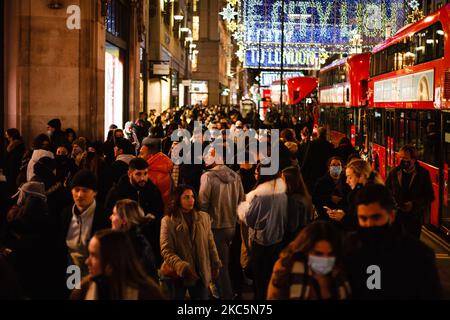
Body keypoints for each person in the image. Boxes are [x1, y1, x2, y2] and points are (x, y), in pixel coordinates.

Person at [343, 184, 442, 299]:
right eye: (363, 218)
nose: (369, 224)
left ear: (391, 215)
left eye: (376, 217)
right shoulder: (349, 246)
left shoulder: (418, 254)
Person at [198, 147, 245, 299]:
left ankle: (226, 295)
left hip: (214, 226)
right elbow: (242, 201)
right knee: (226, 262)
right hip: (231, 225)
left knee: (219, 264)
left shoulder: (208, 177)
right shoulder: (235, 176)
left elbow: (203, 203)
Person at [160, 185, 222, 300]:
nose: (191, 200)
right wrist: (182, 267)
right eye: (186, 197)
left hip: (200, 272)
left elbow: (210, 243)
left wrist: (215, 263)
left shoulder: (203, 217)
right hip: (177, 274)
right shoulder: (168, 221)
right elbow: (166, 250)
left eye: (192, 196)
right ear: (178, 199)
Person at [237, 163, 288, 300]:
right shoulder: (282, 194)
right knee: (272, 278)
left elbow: (250, 219)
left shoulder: (260, 196)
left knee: (260, 281)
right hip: (278, 240)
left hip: (261, 242)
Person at [70, 229, 164, 300]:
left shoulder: (147, 293)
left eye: (94, 256)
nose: (87, 261)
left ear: (112, 260)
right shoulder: (83, 290)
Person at [267, 221, 351, 300]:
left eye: (330, 254)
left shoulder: (338, 272)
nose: (325, 259)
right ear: (305, 250)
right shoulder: (286, 268)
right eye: (318, 254)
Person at [105, 158, 164, 266]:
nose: (143, 178)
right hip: (122, 246)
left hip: (146, 245)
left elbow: (158, 220)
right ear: (129, 173)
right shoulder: (117, 192)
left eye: (145, 173)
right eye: (138, 174)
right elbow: (108, 218)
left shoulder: (154, 192)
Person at [61, 170, 110, 277]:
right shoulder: (66, 213)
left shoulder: (103, 216)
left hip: (94, 266)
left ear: (95, 193)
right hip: (72, 266)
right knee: (74, 291)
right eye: (76, 190)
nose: (79, 195)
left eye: (85, 190)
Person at [385, 145, 434, 238]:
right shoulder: (395, 172)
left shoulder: (423, 174)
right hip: (397, 217)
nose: (402, 161)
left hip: (414, 219)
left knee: (412, 248)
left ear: (413, 159)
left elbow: (430, 196)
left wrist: (413, 204)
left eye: (405, 158)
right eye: (401, 157)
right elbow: (386, 191)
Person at [325, 159, 383, 232]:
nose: (347, 181)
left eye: (350, 177)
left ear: (361, 176)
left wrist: (343, 218)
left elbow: (365, 227)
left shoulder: (369, 197)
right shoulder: (359, 193)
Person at [110, 199, 158, 281]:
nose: (110, 217)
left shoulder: (134, 245)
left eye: (114, 214)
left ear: (124, 220)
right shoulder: (131, 240)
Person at [282, 166, 313, 243]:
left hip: (294, 239)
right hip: (303, 235)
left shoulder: (293, 199)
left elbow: (292, 226)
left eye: (282, 179)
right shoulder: (305, 196)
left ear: (289, 181)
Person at [139, 137, 174, 206]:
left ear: (151, 156)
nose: (139, 156)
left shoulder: (150, 172)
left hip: (155, 208)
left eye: (142, 154)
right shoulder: (164, 166)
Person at [301, 127, 334, 191]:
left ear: (318, 134)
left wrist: (302, 170)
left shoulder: (313, 143)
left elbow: (307, 157)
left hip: (314, 170)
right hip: (324, 170)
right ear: (325, 134)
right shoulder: (330, 145)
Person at [3, 128, 25, 196]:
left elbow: (13, 159)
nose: (6, 137)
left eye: (7, 135)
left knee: (12, 187)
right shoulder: (12, 144)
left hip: (13, 170)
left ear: (12, 136)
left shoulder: (16, 145)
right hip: (10, 169)